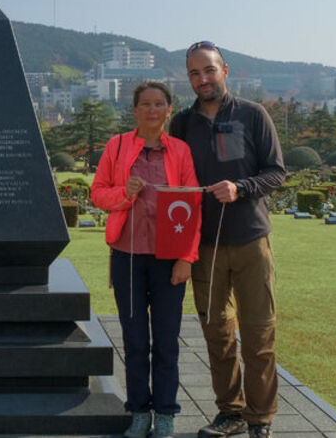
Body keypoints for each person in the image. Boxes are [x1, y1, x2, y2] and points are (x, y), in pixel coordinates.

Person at [169, 41, 286, 438]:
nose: (202, 79)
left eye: (209, 70)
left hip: (251, 240)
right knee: (217, 334)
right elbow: (175, 178)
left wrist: (241, 187)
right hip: (205, 245)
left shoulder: (253, 115)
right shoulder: (182, 124)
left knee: (258, 334)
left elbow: (276, 171)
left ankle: (260, 416)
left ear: (225, 70)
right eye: (194, 73)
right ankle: (230, 412)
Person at [91, 81, 200, 438]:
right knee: (135, 340)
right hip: (128, 257)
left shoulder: (180, 151)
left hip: (169, 258)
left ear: (169, 110)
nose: (153, 110)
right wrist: (124, 193)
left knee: (166, 340)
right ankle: (139, 411)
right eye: (146, 104)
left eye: (159, 104)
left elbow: (193, 205)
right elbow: (98, 194)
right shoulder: (118, 145)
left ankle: (165, 413)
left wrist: (187, 258)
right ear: (135, 110)